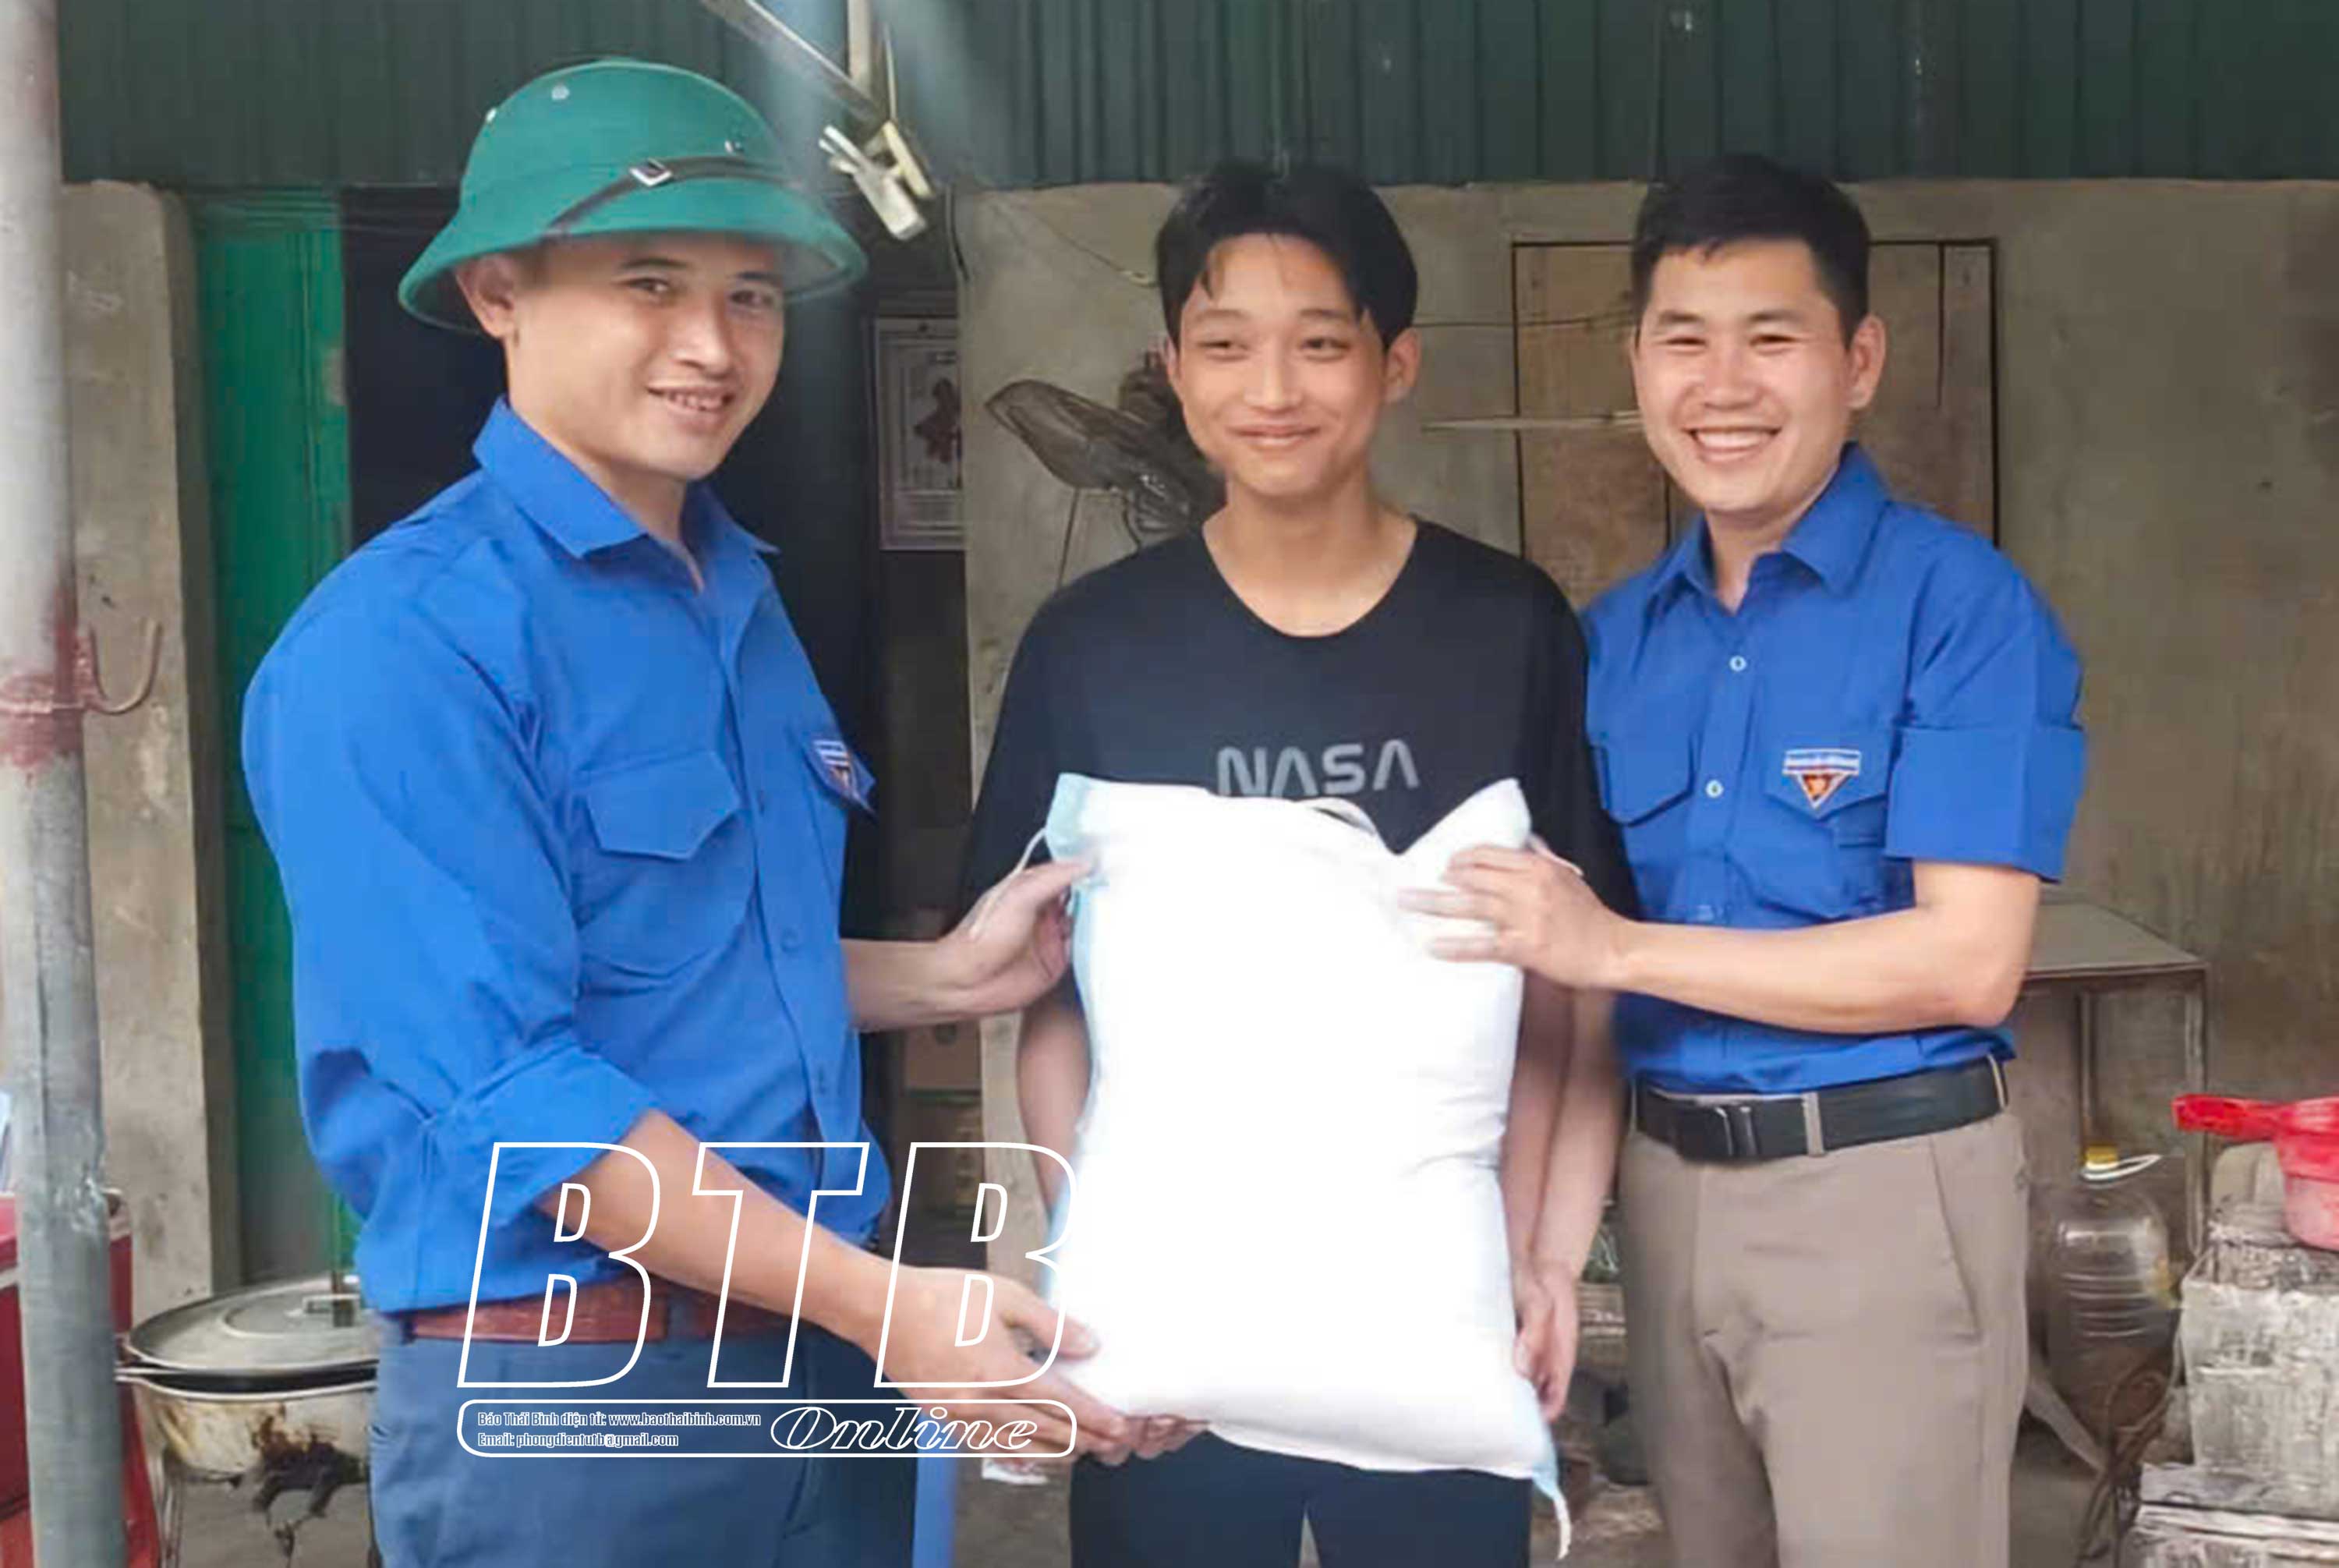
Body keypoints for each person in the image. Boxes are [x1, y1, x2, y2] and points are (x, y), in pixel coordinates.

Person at [242, 58, 1134, 1568]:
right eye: (649, 284)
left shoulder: (738, 598)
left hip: (818, 1364)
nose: (713, 346)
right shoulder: (401, 648)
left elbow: (701, 959)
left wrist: (945, 977)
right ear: (499, 293)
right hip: (577, 1406)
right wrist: (892, 1309)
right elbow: (524, 1097)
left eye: (751, 296)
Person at [1411, 154, 2087, 1568]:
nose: (1723, 387)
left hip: (1880, 1192)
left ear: (1859, 361)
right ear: (1637, 364)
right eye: (1684, 340)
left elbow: (1969, 961)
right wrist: (1540, 1251)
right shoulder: (1612, 641)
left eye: (1771, 338)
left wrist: (1620, 948)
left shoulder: (1960, 608)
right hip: (1664, 1195)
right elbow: (1566, 988)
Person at [959, 158, 1633, 1568]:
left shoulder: (1507, 628)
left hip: (1429, 1316)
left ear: (1395, 363)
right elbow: (1048, 996)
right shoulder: (1093, 648)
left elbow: (1573, 986)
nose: (1272, 389)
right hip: (1170, 1329)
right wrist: (1093, 1265)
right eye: (1226, 345)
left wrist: (1545, 1258)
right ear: (1174, 369)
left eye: (1320, 342)